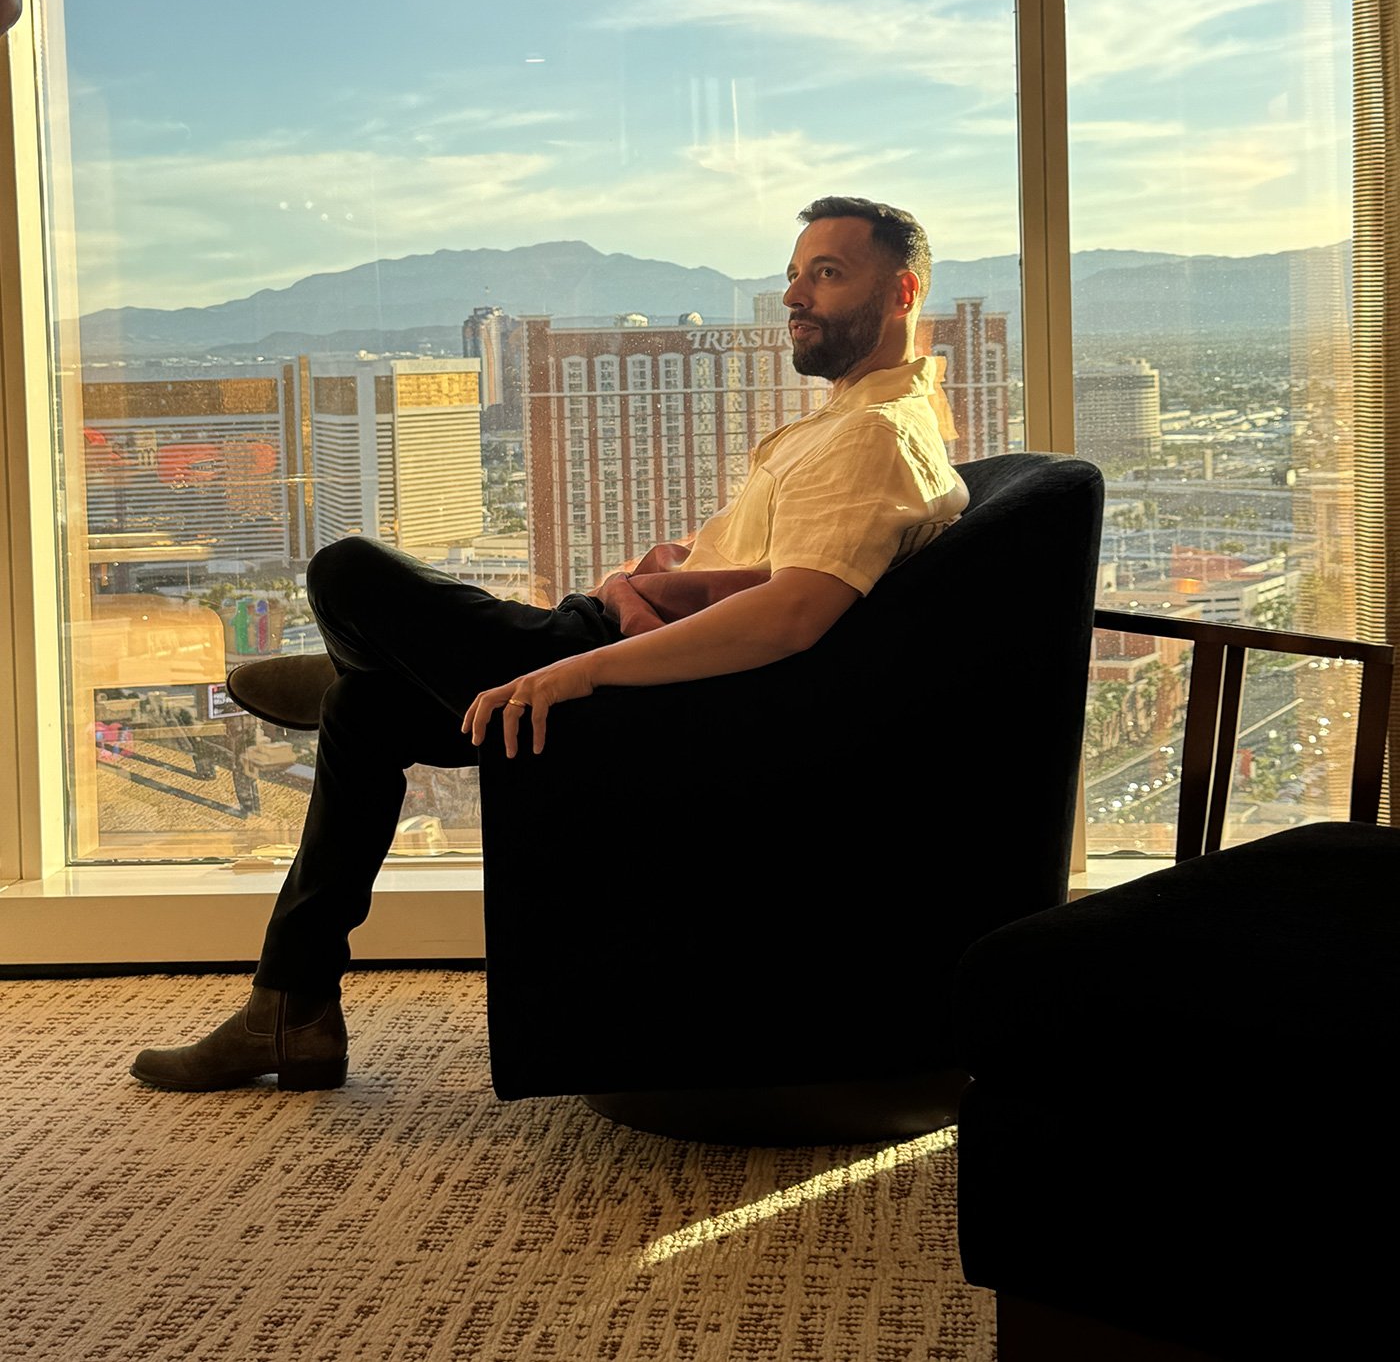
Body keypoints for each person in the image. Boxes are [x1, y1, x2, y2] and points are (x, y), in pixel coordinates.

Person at [130, 194, 968, 1091]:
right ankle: (290, 1010)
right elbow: (784, 573)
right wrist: (681, 566)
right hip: (643, 651)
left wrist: (581, 666)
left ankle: (349, 661)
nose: (796, 294)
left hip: (643, 695)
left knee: (347, 573)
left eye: (828, 274)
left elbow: (793, 614)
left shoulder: (874, 435)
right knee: (363, 711)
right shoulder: (864, 418)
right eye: (795, 272)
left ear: (902, 290)